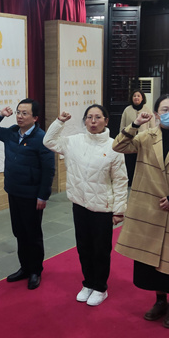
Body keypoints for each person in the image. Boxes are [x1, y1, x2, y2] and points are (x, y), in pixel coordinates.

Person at [112, 94, 169, 328]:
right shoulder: (146, 137)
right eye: (165, 109)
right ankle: (160, 301)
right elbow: (118, 146)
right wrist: (135, 124)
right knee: (153, 260)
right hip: (150, 209)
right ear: (156, 114)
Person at [43, 104, 128, 306]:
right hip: (80, 204)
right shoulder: (74, 142)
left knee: (100, 250)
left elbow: (120, 181)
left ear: (106, 121)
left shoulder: (114, 146)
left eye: (98, 117)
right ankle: (88, 283)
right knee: (83, 247)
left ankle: (100, 287)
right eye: (89, 117)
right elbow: (48, 141)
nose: (93, 121)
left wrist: (119, 210)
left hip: (102, 208)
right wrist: (59, 122)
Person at [0, 98, 55, 290]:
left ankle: (35, 271)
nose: (20, 116)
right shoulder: (11, 133)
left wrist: (43, 196)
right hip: (14, 190)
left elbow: (49, 170)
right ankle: (24, 267)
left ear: (35, 117)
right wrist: (0, 114)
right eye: (18, 112)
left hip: (32, 195)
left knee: (32, 233)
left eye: (25, 113)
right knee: (19, 232)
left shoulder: (42, 138)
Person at [120, 90, 155, 187]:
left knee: (142, 161)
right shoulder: (127, 110)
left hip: (143, 141)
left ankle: (141, 182)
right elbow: (122, 125)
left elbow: (152, 127)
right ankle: (130, 181)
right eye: (134, 96)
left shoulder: (147, 110)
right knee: (129, 162)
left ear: (142, 98)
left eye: (138, 96)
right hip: (130, 140)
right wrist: (122, 137)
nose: (136, 97)